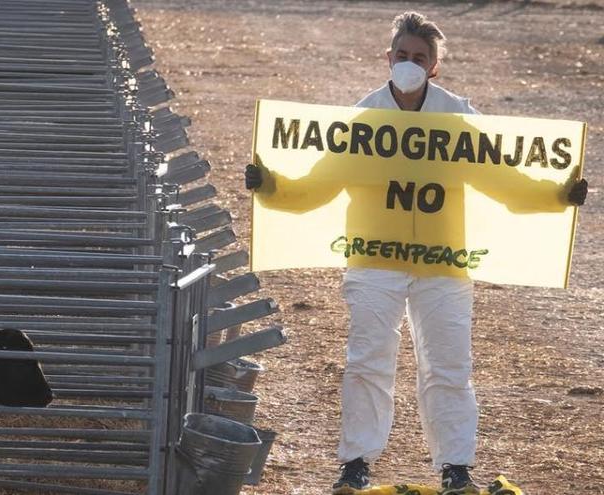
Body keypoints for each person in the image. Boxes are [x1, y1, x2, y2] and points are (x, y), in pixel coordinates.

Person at [244, 11, 588, 495]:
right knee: (367, 362)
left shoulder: (458, 117)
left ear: (435, 67)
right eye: (402, 55)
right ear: (388, 59)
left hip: (444, 264)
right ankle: (356, 463)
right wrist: (271, 186)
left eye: (420, 58)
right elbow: (317, 185)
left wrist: (557, 194)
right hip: (374, 262)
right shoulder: (364, 117)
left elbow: (504, 178)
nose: (410, 63)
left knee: (449, 366)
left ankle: (455, 467)